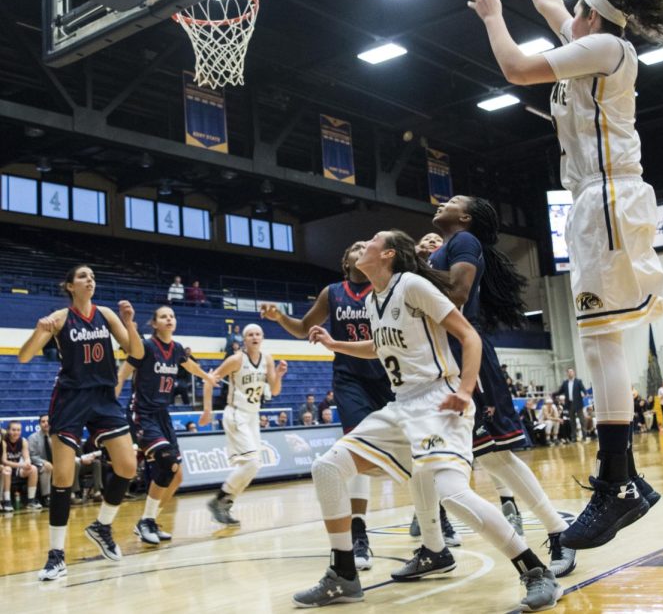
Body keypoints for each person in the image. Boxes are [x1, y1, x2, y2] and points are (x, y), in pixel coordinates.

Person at [468, 0, 663, 550]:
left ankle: (617, 484)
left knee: (602, 345)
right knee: (598, 347)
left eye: (577, 12)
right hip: (594, 204)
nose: (566, 15)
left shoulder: (607, 48)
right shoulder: (593, 41)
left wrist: (493, 15)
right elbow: (550, 3)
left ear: (592, 19)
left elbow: (518, 68)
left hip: (610, 201)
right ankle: (626, 481)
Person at [292, 230, 562, 611]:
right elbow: (378, 346)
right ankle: (344, 575)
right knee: (327, 467)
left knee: (452, 493)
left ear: (386, 255)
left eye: (371, 241)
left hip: (439, 401)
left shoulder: (413, 285)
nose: (363, 244)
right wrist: (337, 345)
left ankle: (535, 571)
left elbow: (469, 336)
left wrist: (466, 391)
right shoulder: (373, 298)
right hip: (401, 406)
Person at [423, 196, 576, 576]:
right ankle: (432, 544)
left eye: (452, 201)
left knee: (496, 457)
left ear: (465, 217)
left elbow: (457, 294)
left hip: (466, 353)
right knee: (448, 461)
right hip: (442, 359)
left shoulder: (464, 242)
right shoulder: (442, 251)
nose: (443, 202)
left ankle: (560, 531)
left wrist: (413, 277)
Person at [261, 241, 396, 571]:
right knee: (358, 446)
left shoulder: (389, 286)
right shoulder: (333, 292)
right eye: (357, 245)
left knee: (402, 458)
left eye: (367, 244)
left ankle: (435, 520)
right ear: (346, 259)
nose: (362, 246)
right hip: (350, 379)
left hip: (390, 376)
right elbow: (304, 328)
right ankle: (358, 532)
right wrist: (280, 318)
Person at [18, 264, 142, 580]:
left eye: (92, 276)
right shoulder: (60, 318)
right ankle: (56, 556)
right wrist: (39, 329)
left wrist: (129, 324)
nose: (90, 280)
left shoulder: (107, 315)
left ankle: (102, 526)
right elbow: (24, 355)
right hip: (70, 398)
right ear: (70, 286)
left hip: (103, 397)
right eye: (83, 276)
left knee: (128, 466)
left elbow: (135, 352)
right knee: (63, 475)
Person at [115, 306, 216, 545]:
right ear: (155, 323)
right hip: (142, 413)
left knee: (177, 476)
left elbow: (189, 365)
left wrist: (206, 377)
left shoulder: (178, 349)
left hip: (162, 414)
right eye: (163, 316)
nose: (169, 319)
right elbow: (123, 373)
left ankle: (149, 520)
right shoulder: (146, 347)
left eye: (171, 316)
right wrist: (112, 397)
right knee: (168, 462)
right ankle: (145, 522)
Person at [200, 324, 287, 525]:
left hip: (253, 416)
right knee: (252, 462)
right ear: (244, 340)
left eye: (258, 334)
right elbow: (208, 381)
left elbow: (274, 391)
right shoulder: (236, 359)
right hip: (236, 414)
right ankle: (220, 499)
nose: (254, 337)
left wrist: (279, 375)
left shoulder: (267, 359)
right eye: (250, 335)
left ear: (262, 337)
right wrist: (207, 411)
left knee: (254, 466)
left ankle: (225, 504)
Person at [2, 421, 40, 512]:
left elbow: (27, 457)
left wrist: (27, 463)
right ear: (8, 431)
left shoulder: (23, 441)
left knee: (33, 469)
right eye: (13, 430)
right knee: (7, 470)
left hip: (18, 469)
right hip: (5, 469)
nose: (16, 432)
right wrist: (21, 465)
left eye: (18, 430)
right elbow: (4, 461)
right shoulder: (3, 442)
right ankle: (7, 501)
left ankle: (31, 500)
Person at [27, 414, 54, 507]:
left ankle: (71, 493)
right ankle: (46, 496)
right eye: (43, 422)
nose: (46, 423)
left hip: (55, 463)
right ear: (39, 424)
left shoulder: (55, 436)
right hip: (39, 465)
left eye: (48, 421)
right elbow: (32, 456)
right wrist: (44, 462)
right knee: (46, 468)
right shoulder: (33, 438)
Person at [556, 368, 588, 441]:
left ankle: (584, 436)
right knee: (572, 421)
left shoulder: (578, 381)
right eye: (569, 372)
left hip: (578, 403)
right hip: (569, 404)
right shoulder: (565, 383)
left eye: (571, 372)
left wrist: (586, 393)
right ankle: (574, 437)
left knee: (582, 420)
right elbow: (560, 391)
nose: (570, 373)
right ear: (567, 374)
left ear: (574, 373)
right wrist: (554, 394)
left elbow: (583, 388)